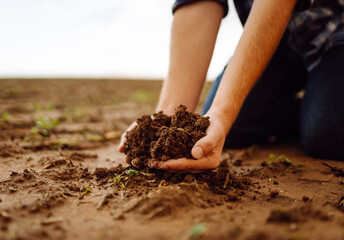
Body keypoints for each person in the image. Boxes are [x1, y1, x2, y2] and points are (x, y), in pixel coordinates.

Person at [118, 0, 344, 171]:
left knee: (327, 131)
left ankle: (318, 111)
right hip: (278, 42)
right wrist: (164, 119)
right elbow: (198, 3)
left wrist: (223, 111)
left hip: (336, 33)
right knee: (224, 129)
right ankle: (309, 108)